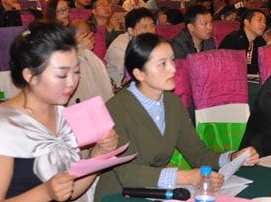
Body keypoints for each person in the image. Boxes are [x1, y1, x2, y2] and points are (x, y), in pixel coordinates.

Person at [95, 33, 259, 200]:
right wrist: (187, 177)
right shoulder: (115, 109)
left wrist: (232, 157)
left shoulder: (172, 102)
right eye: (162, 64)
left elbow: (199, 155)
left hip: (157, 192)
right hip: (117, 195)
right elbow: (129, 174)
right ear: (139, 74)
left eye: (172, 60)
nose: (173, 69)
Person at [0, 22, 118, 202]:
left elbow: (69, 191)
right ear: (30, 75)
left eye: (76, 72)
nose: (72, 82)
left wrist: (98, 154)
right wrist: (45, 193)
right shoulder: (2, 125)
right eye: (62, 75)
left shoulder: (62, 115)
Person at [105, 8, 156, 88]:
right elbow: (132, 72)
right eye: (145, 27)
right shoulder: (119, 46)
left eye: (152, 25)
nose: (151, 30)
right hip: (121, 89)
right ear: (131, 31)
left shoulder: (152, 42)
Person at [68, 19, 114, 106]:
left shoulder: (91, 56)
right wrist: (79, 49)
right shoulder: (66, 58)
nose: (89, 39)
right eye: (84, 36)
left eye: (91, 35)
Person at [219, 9, 267, 75]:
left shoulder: (260, 41)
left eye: (264, 22)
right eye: (259, 20)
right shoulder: (233, 40)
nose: (263, 24)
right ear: (246, 22)